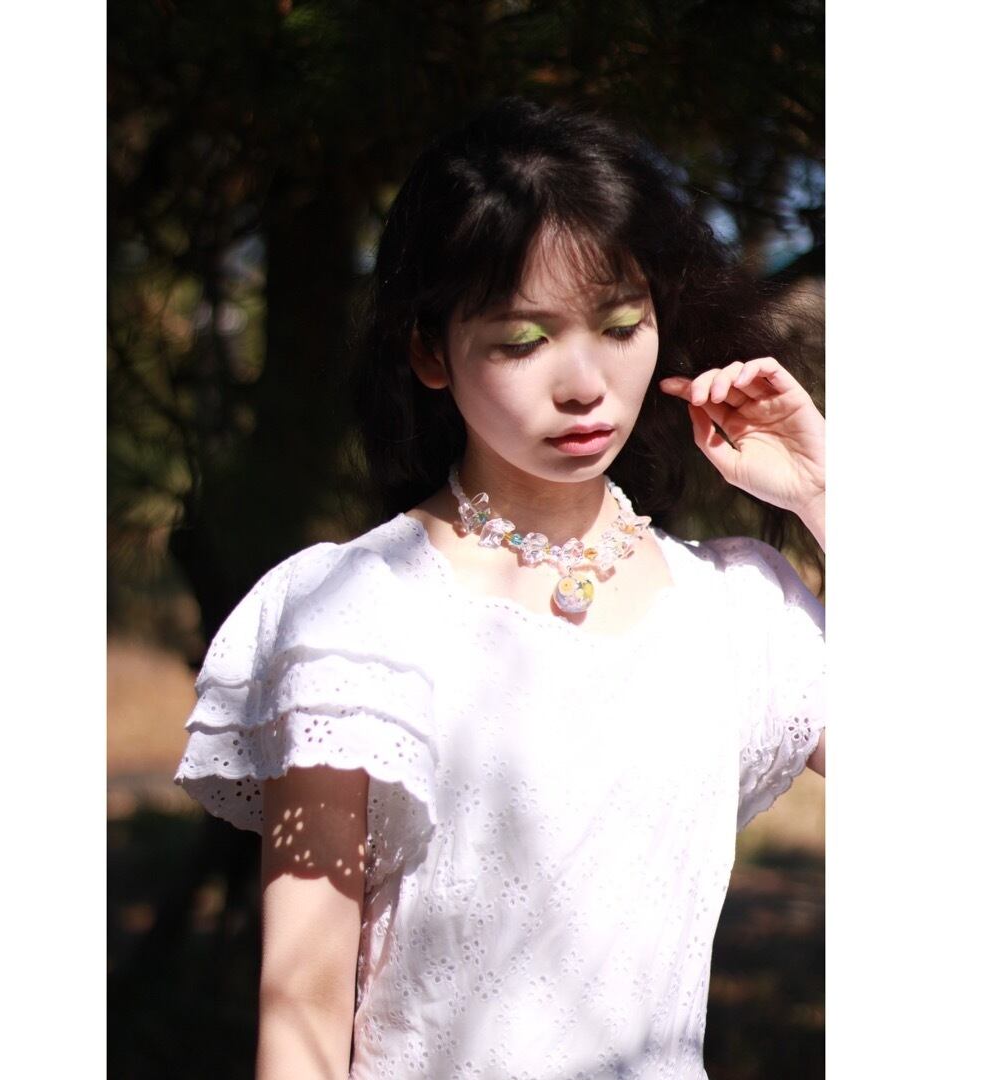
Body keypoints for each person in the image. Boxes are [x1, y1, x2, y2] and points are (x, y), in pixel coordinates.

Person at [174, 97, 825, 1080]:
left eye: (621, 324)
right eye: (523, 340)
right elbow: (302, 1016)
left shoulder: (738, 609)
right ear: (429, 351)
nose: (585, 382)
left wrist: (827, 494)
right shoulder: (354, 614)